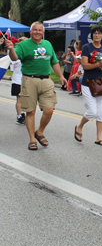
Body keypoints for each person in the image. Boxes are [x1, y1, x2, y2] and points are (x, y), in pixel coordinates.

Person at [9, 22, 68, 151]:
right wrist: (11, 49)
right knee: (30, 111)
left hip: (46, 80)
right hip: (29, 79)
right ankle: (31, 139)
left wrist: (61, 77)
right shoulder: (23, 45)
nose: (37, 32)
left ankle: (39, 132)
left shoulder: (47, 44)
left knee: (49, 109)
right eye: (34, 30)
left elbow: (54, 62)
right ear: (30, 31)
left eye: (40, 30)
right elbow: (14, 58)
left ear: (43, 32)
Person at [74, 25, 102, 146]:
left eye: (99, 33)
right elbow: (84, 65)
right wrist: (97, 64)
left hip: (101, 83)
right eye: (95, 33)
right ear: (92, 35)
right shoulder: (86, 47)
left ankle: (99, 138)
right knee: (92, 111)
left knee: (101, 112)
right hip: (88, 83)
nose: (97, 35)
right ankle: (79, 127)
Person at [8, 36, 27, 125]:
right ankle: (19, 116)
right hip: (18, 80)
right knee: (19, 99)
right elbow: (12, 66)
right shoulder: (16, 55)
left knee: (25, 99)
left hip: (27, 80)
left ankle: (23, 113)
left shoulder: (27, 55)